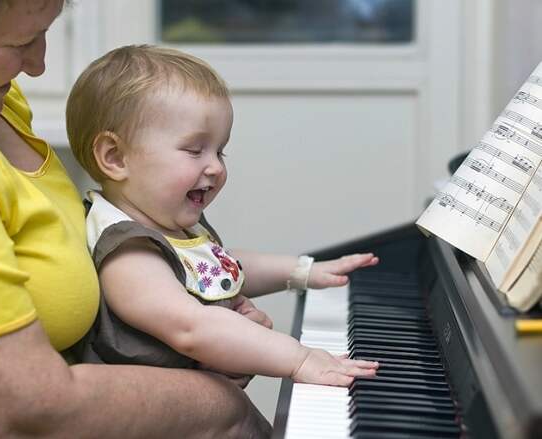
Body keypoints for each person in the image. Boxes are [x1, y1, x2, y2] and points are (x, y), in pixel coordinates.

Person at [0, 2, 274, 437]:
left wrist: (213, 343)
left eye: (45, 32)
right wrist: (222, 404)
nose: (38, 65)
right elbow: (16, 413)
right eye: (20, 42)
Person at [65, 45, 380, 387]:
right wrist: (298, 358)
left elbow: (223, 267)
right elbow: (191, 327)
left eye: (220, 150)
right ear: (115, 157)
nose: (215, 167)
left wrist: (304, 271)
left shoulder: (168, 222)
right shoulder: (128, 251)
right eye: (194, 150)